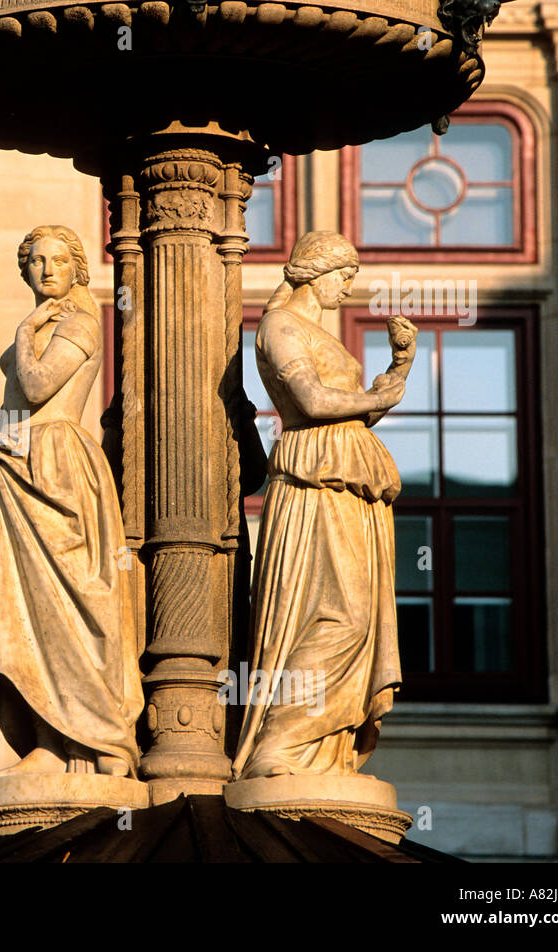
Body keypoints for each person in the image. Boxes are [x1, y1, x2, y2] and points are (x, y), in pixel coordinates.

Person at [232, 230, 418, 780]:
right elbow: (313, 402)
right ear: (315, 272)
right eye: (344, 276)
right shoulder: (281, 327)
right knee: (337, 617)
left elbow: (354, 412)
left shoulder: (309, 329)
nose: (347, 288)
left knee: (358, 618)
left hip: (348, 481)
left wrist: (400, 365)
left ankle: (320, 748)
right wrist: (377, 396)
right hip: (316, 481)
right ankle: (280, 746)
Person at [0, 224, 143, 778]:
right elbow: (16, 402)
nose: (45, 270)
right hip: (16, 469)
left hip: (57, 464)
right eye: (35, 260)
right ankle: (47, 741)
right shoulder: (46, 320)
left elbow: (40, 386)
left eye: (57, 260)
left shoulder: (81, 321)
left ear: (76, 268)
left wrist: (23, 333)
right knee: (25, 611)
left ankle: (94, 739)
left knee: (71, 606)